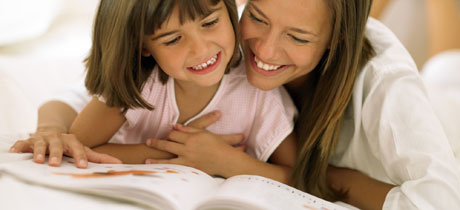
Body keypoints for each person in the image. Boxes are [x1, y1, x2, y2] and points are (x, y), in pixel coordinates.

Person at [9, 0, 460, 209]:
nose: (261, 50)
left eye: (299, 37)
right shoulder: (217, 51)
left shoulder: (389, 89)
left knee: (447, 72)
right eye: (257, 17)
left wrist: (228, 162)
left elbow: (437, 203)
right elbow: (90, 107)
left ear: (335, 40)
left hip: (448, 112)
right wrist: (51, 125)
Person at [10, 0, 297, 184]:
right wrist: (178, 153)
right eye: (173, 39)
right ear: (144, 47)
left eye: (210, 23)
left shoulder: (260, 95)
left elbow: (299, 177)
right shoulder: (140, 84)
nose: (201, 49)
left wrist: (226, 162)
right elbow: (78, 146)